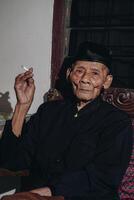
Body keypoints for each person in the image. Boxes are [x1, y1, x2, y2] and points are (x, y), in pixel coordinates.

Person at [0, 41, 133, 200]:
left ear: (107, 81)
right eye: (79, 71)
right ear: (68, 74)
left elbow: (102, 178)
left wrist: (42, 194)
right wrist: (22, 106)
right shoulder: (48, 112)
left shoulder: (117, 122)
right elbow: (12, 162)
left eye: (95, 73)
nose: (85, 79)